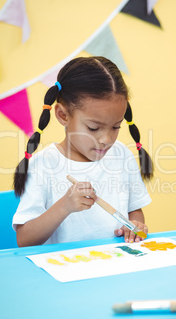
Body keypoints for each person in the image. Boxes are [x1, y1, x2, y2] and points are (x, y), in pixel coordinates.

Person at [12, 56, 153, 247]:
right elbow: (24, 240)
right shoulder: (43, 165)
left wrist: (135, 226)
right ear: (63, 115)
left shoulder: (122, 155)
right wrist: (65, 206)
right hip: (63, 270)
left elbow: (134, 210)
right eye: (93, 128)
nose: (106, 139)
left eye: (115, 127)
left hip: (117, 264)